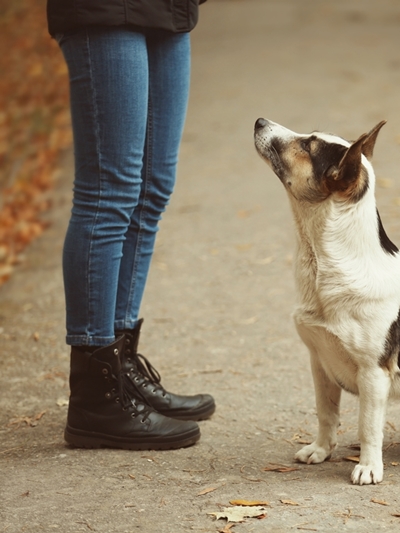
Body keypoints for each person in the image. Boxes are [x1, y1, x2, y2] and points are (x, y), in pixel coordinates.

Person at [47, 0, 215, 450]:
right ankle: (94, 395)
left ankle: (119, 367)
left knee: (151, 188)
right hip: (103, 10)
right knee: (109, 192)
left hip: (168, 9)